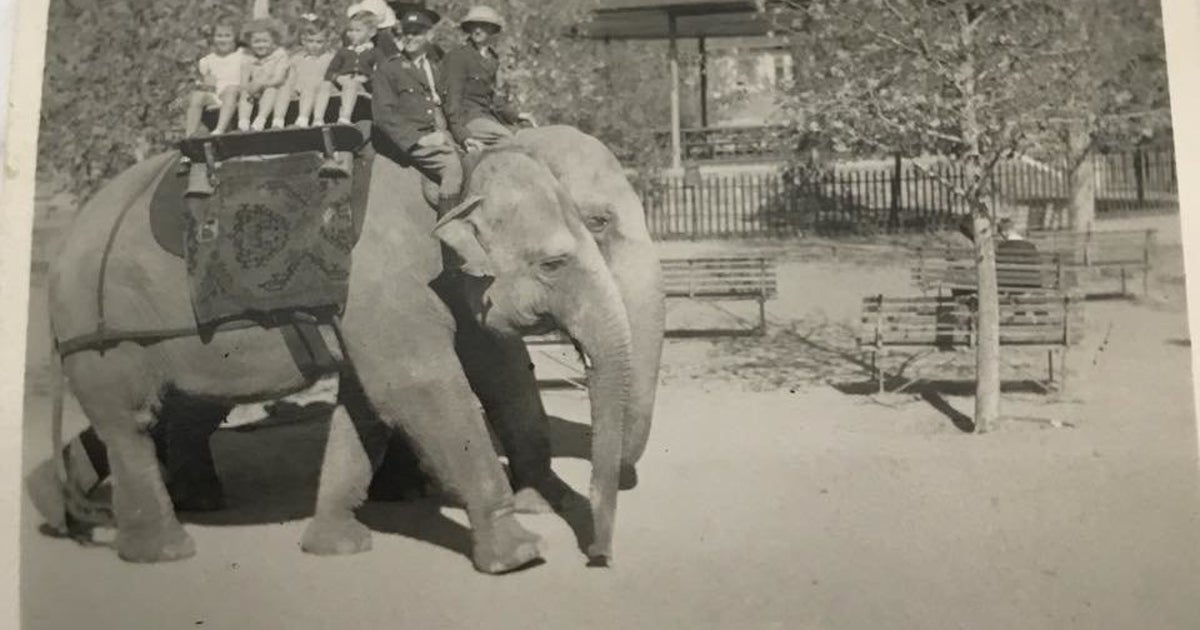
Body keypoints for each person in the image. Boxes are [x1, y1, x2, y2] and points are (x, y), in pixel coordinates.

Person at [369, 5, 463, 215]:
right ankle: (450, 230)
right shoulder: (389, 69)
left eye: (417, 33)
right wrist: (419, 140)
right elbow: (383, 117)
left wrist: (464, 137)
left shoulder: (434, 67)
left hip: (439, 134)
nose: (410, 38)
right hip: (410, 140)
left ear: (429, 35)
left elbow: (447, 105)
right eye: (406, 33)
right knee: (451, 167)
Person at [440, 6, 535, 152]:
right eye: (474, 26)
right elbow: (452, 101)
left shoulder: (492, 59)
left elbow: (493, 98)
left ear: (492, 30)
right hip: (468, 118)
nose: (478, 30)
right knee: (507, 140)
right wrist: (460, 133)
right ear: (469, 29)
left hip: (488, 117)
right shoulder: (458, 56)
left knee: (526, 135)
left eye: (483, 26)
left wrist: (516, 115)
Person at [319, 10, 387, 125]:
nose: (352, 34)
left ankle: (345, 117)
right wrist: (338, 78)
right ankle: (318, 119)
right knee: (324, 84)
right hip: (342, 83)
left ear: (371, 32)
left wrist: (368, 79)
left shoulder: (376, 52)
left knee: (351, 84)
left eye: (357, 31)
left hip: (363, 87)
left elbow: (384, 74)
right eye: (350, 30)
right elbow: (329, 72)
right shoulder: (344, 52)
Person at [272, 14, 335, 128]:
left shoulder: (329, 58)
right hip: (298, 93)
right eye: (311, 41)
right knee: (283, 87)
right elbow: (290, 78)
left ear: (327, 42)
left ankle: (304, 120)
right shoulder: (297, 58)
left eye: (319, 42)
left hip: (321, 94)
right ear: (304, 41)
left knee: (309, 86)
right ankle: (277, 121)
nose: (314, 46)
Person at [185, 19, 244, 139]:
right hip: (217, 94)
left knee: (231, 90)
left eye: (227, 36)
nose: (223, 40)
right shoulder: (208, 60)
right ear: (213, 38)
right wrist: (204, 87)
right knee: (198, 95)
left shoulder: (241, 55)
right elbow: (208, 85)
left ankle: (219, 130)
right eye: (219, 36)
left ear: (235, 38)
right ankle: (190, 135)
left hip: (236, 94)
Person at [237, 17, 291, 131]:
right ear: (250, 43)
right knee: (245, 94)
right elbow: (243, 80)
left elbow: (279, 79)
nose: (261, 45)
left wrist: (261, 84)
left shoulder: (279, 54)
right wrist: (249, 87)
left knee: (271, 90)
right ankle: (243, 123)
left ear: (273, 42)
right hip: (255, 89)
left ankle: (260, 120)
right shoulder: (247, 56)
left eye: (265, 41)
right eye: (256, 42)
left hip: (274, 87)